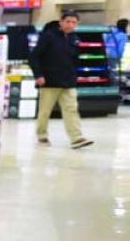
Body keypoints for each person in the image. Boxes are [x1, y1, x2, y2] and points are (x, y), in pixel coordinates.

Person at [30, 11, 93, 149]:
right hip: (49, 81)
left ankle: (76, 138)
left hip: (68, 81)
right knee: (45, 111)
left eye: (74, 22)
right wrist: (38, 75)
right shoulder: (48, 36)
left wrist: (75, 75)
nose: (71, 25)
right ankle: (42, 136)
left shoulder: (75, 39)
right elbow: (34, 57)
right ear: (61, 22)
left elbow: (75, 60)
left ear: (77, 24)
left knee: (71, 109)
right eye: (68, 21)